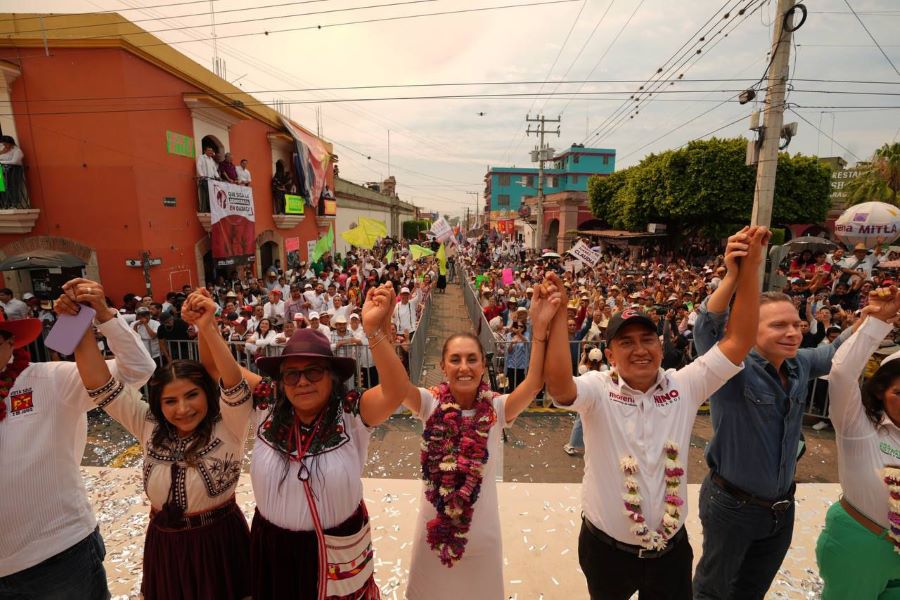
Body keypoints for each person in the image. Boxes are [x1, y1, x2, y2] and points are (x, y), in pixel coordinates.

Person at [543, 226, 767, 600]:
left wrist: (750, 269)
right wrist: (559, 314)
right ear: (610, 355)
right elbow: (560, 387)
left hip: (670, 553)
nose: (640, 349)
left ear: (661, 347)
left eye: (648, 339)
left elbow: (739, 340)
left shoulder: (686, 385)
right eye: (626, 342)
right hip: (605, 550)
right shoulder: (598, 389)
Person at [198, 283, 407, 599]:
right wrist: (205, 325)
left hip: (337, 552)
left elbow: (396, 391)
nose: (303, 382)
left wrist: (373, 329)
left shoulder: (349, 411)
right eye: (292, 375)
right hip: (273, 551)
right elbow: (215, 366)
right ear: (280, 381)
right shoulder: (265, 403)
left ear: (331, 376)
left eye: (314, 372)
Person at [691, 241, 864, 598]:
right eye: (779, 326)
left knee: (752, 590)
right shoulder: (731, 370)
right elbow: (707, 328)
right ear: (749, 329)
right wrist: (735, 275)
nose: (793, 333)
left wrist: (873, 317)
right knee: (713, 591)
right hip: (732, 506)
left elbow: (834, 354)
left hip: (781, 509)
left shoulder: (800, 364)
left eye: (797, 324)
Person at [366, 281, 557, 599]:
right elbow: (398, 387)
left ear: (484, 366)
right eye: (455, 359)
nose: (464, 367)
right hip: (433, 539)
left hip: (482, 542)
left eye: (472, 359)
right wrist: (376, 331)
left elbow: (535, 383)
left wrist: (539, 328)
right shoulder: (428, 403)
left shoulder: (496, 408)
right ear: (442, 367)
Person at [73, 290, 256, 600]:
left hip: (220, 543)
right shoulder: (149, 424)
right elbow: (98, 384)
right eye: (170, 401)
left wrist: (207, 326)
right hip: (165, 544)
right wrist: (76, 319)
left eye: (192, 395)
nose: (182, 409)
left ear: (208, 395)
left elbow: (234, 383)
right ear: (158, 404)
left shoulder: (229, 424)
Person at [0, 278, 155, 599]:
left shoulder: (48, 380)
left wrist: (102, 316)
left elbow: (137, 371)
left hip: (58, 559)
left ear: (8, 344)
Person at [815, 286, 900, 599]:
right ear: (879, 391)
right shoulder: (859, 426)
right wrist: (878, 323)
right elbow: (842, 375)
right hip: (860, 545)